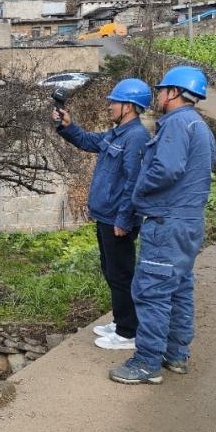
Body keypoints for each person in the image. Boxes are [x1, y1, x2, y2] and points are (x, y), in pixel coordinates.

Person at [110, 66, 216, 385]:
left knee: (152, 291)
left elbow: (165, 170)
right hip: (188, 223)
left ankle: (147, 362)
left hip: (167, 223)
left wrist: (139, 192)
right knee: (179, 288)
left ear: (174, 93)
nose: (157, 96)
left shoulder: (175, 125)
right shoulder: (200, 126)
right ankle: (175, 354)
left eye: (161, 90)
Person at [54, 78, 151, 351]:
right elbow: (88, 141)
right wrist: (67, 125)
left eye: (114, 102)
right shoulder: (117, 133)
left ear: (129, 107)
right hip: (106, 216)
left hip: (117, 220)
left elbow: (134, 182)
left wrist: (124, 219)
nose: (109, 106)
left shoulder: (136, 138)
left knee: (121, 274)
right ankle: (122, 321)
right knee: (110, 270)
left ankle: (128, 332)